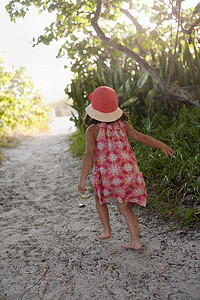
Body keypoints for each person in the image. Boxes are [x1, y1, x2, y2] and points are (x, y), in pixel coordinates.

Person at [78, 86, 175, 250]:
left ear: (93, 110)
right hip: (129, 173)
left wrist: (82, 179)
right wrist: (161, 145)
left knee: (99, 198)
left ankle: (107, 229)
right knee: (124, 205)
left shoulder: (92, 130)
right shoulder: (123, 125)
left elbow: (88, 155)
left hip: (107, 176)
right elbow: (141, 137)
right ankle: (135, 240)